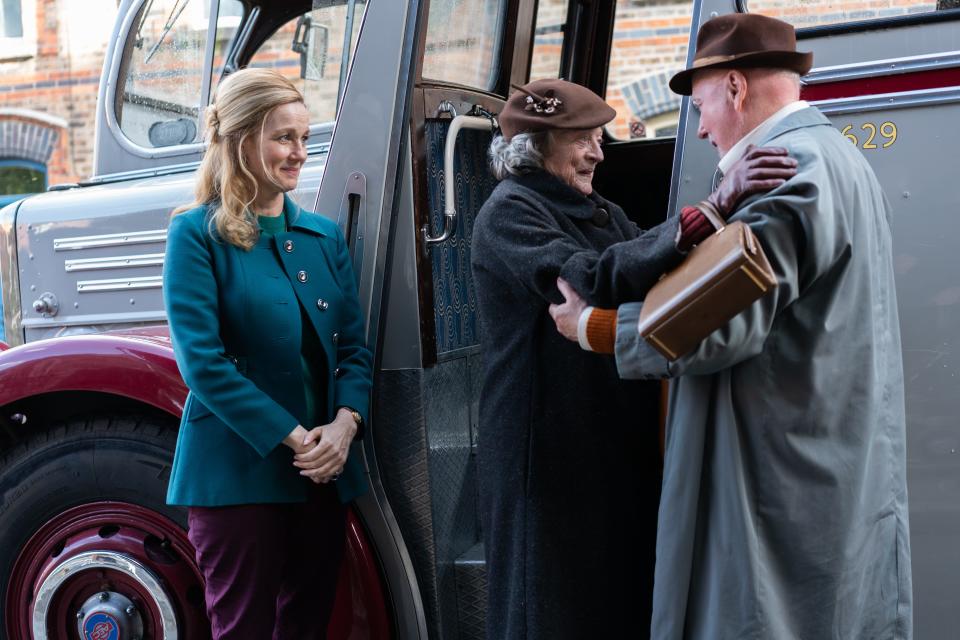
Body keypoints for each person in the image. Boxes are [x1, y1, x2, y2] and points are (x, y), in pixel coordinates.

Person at [550, 14, 912, 639]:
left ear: (736, 89)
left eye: (699, 107)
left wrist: (596, 326)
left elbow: (721, 322)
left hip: (778, 484)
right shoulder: (839, 157)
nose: (701, 128)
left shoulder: (785, 171)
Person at [471, 78, 796, 639]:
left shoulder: (591, 207)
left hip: (603, 441)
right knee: (552, 611)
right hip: (547, 459)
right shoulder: (509, 214)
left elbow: (652, 268)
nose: (599, 151)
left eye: (599, 137)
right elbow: (593, 280)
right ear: (535, 147)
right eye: (582, 139)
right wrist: (711, 209)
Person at [162, 68, 372, 639]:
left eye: (305, 137)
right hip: (236, 477)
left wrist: (345, 426)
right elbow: (201, 363)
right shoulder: (195, 234)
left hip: (322, 475)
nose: (298, 152)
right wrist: (300, 438)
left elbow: (353, 348)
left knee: (308, 627)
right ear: (239, 140)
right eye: (283, 137)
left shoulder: (325, 237)